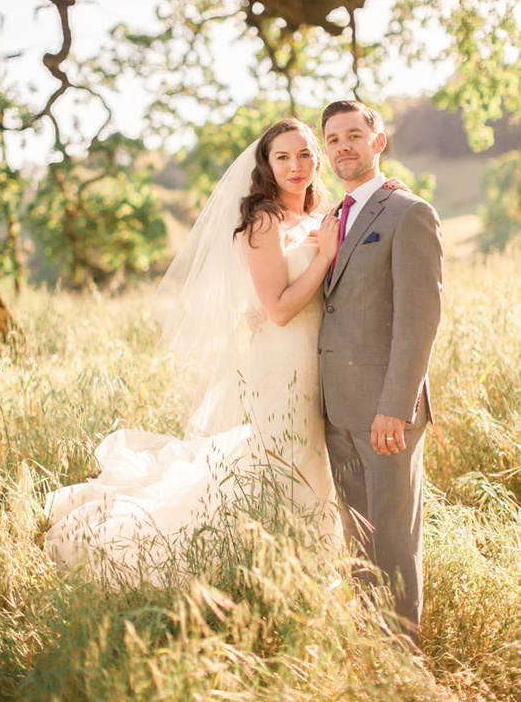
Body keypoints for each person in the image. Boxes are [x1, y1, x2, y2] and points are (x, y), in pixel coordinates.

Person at [44, 116, 408, 588]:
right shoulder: (263, 221)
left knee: (314, 462)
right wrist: (321, 257)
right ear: (267, 165)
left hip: (322, 363)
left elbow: (356, 229)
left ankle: (305, 568)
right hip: (281, 365)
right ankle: (267, 566)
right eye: (282, 157)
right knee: (285, 462)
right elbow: (276, 309)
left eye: (304, 154)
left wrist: (386, 191)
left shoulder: (322, 217)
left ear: (317, 160)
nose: (295, 165)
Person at [318, 100, 443, 643]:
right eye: (333, 139)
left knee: (393, 541)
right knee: (358, 540)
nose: (343, 146)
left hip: (385, 411)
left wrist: (396, 404)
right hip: (337, 410)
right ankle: (374, 652)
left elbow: (419, 321)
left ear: (378, 141)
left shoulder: (408, 213)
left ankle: (403, 661)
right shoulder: (332, 217)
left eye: (353, 135)